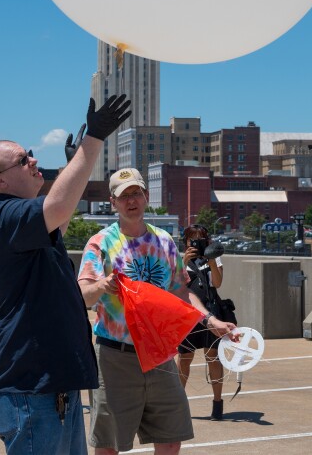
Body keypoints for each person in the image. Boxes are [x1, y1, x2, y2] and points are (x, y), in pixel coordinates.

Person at [0, 94, 131, 455]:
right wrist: (94, 138)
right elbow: (58, 206)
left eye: (30, 153)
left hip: (55, 387)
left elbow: (57, 218)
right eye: (22, 159)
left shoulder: (22, 222)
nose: (33, 159)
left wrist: (68, 170)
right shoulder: (4, 216)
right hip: (30, 390)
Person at [78, 168, 236, 454]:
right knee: (109, 444)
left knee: (171, 437)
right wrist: (103, 285)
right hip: (116, 356)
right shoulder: (100, 243)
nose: (131, 200)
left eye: (136, 193)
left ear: (146, 196)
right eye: (123, 196)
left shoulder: (163, 241)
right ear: (112, 202)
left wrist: (211, 321)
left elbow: (182, 291)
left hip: (160, 353)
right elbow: (83, 296)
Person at [176, 224, 227, 421]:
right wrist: (183, 262)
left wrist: (212, 259)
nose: (196, 243)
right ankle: (179, 405)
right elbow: (175, 283)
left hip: (210, 312)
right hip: (186, 313)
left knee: (212, 356)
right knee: (184, 357)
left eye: (200, 239)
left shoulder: (213, 257)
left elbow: (218, 283)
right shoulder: (180, 260)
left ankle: (217, 403)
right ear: (186, 242)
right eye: (192, 240)